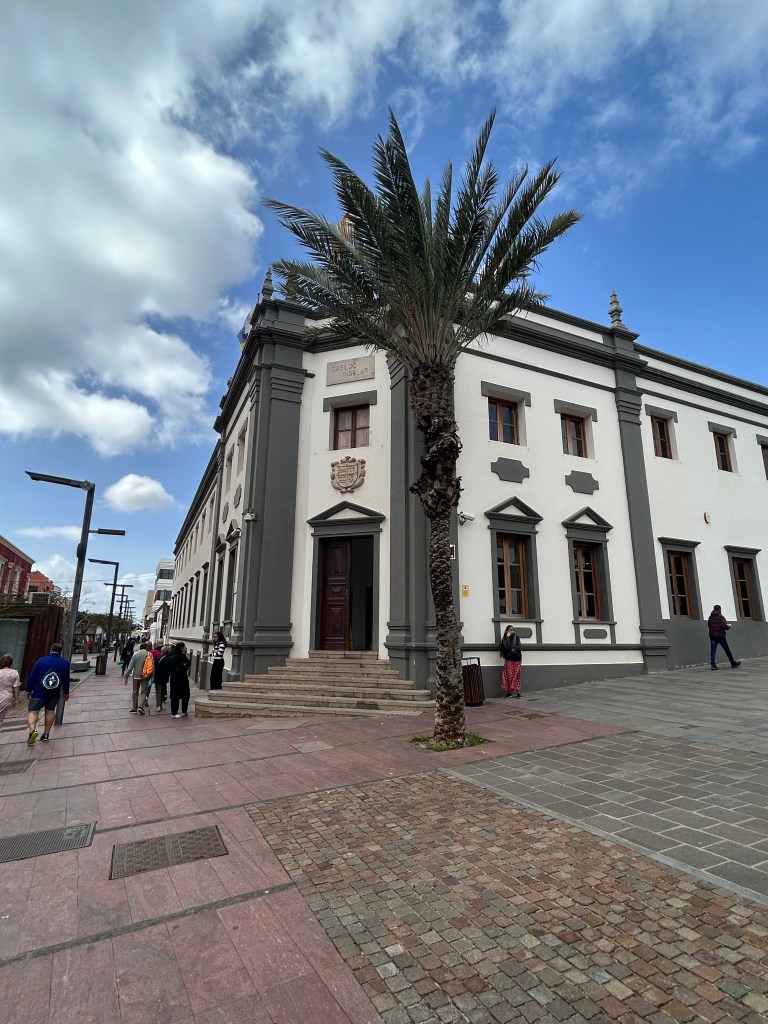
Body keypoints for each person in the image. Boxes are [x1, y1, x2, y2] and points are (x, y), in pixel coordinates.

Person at [25, 642, 70, 744]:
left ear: (51, 649)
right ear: (60, 651)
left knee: (33, 711)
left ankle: (32, 730)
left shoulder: (41, 661)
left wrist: (29, 689)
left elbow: (32, 676)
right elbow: (66, 679)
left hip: (39, 692)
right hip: (54, 693)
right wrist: (66, 692)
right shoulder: (64, 663)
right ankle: (46, 734)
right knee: (50, 711)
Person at [708, 605, 741, 670]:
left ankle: (713, 665)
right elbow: (724, 626)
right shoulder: (721, 617)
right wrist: (728, 626)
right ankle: (733, 663)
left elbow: (709, 625)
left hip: (712, 636)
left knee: (713, 651)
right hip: (720, 636)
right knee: (727, 650)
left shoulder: (710, 617)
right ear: (719, 609)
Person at [124, 642, 153, 714]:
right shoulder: (149, 654)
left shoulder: (135, 654)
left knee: (135, 691)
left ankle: (134, 708)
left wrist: (126, 676)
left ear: (140, 647)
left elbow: (130, 666)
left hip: (136, 676)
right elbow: (152, 666)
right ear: (147, 648)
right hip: (145, 676)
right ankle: (140, 706)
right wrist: (152, 676)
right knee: (144, 691)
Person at [168, 642, 191, 718]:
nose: (186, 648)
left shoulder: (183, 656)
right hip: (176, 677)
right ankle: (174, 712)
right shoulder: (175, 657)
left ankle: (184, 711)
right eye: (184, 647)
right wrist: (184, 665)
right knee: (175, 694)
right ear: (181, 648)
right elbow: (180, 666)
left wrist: (184, 665)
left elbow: (188, 663)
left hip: (183, 677)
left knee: (185, 694)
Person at [500, 624, 522, 698]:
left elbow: (519, 647)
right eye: (510, 630)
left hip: (517, 659)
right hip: (509, 659)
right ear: (507, 631)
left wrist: (512, 648)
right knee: (508, 675)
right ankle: (509, 692)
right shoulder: (505, 639)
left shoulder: (517, 638)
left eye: (513, 630)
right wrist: (507, 637)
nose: (512, 631)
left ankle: (518, 692)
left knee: (516, 676)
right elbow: (507, 647)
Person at [0, 654, 21, 727]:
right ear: (11, 663)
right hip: (6, 697)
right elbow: (16, 687)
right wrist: (16, 700)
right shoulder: (15, 673)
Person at [153, 645, 173, 711]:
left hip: (158, 677)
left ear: (162, 651)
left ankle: (158, 705)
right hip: (165, 677)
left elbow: (154, 666)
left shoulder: (159, 659)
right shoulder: (170, 659)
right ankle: (160, 704)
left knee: (158, 691)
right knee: (162, 691)